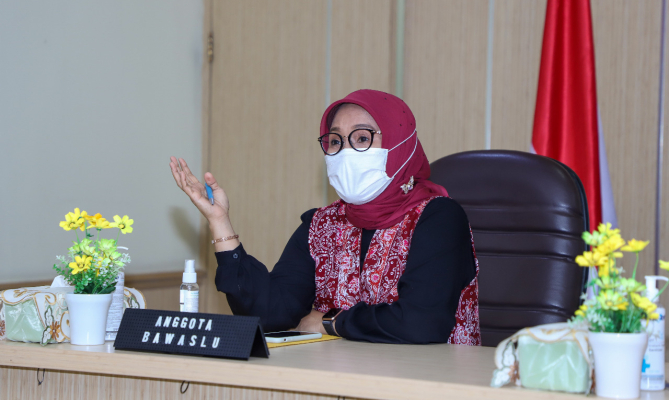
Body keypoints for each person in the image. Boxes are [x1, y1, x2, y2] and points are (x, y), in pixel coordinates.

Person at [169, 89, 480, 345]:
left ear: (399, 144)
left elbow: (420, 324)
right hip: (337, 377)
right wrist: (220, 221)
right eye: (335, 141)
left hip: (430, 379)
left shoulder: (438, 217)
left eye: (362, 138)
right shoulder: (322, 224)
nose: (345, 152)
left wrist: (330, 322)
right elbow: (271, 313)